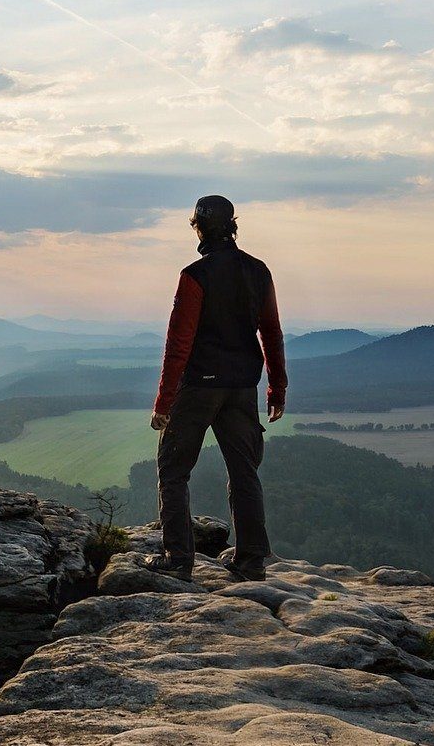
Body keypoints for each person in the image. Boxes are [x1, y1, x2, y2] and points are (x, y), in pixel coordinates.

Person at [138, 194, 287, 582]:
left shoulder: (195, 276)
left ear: (198, 228)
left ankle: (178, 558)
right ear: (233, 225)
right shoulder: (259, 271)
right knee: (244, 470)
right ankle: (252, 559)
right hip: (242, 386)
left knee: (173, 469)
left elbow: (178, 345)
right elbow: (271, 332)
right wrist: (277, 387)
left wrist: (163, 402)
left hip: (200, 386)